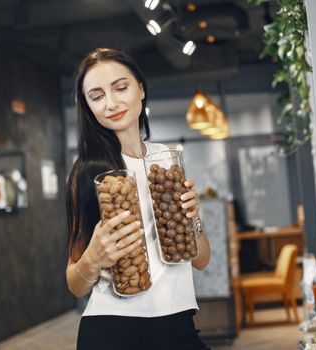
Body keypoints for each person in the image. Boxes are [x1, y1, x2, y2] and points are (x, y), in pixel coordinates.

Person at [65, 48, 211, 350]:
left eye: (121, 87)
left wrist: (193, 218)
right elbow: (75, 284)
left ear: (140, 88)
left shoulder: (167, 160)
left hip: (180, 324)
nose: (111, 103)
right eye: (96, 96)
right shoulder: (89, 172)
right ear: (88, 107)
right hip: (113, 330)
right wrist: (93, 258)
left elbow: (201, 260)